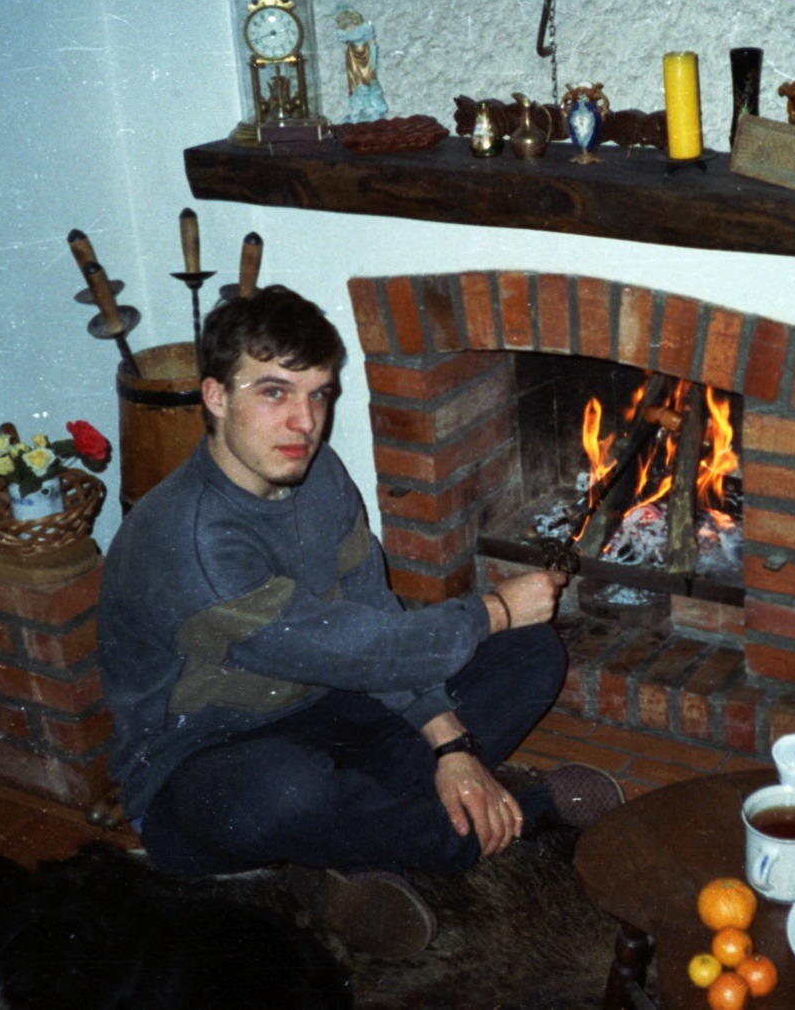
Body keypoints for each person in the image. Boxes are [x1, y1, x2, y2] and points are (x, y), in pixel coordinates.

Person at [96, 285, 622, 958]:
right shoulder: (189, 541)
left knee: (530, 652)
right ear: (215, 396)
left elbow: (371, 617)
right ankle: (512, 816)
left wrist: (450, 747)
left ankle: (342, 853)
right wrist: (490, 609)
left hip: (326, 704)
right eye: (274, 392)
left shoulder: (317, 476)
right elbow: (349, 649)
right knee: (283, 790)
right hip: (202, 763)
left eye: (318, 394)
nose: (303, 422)